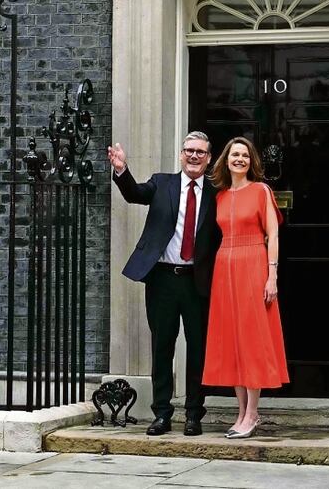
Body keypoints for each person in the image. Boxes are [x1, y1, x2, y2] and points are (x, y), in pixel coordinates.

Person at [107, 131, 221, 437]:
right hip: (162, 279)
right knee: (162, 346)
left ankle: (194, 414)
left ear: (209, 158)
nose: (194, 156)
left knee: (198, 349)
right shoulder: (162, 183)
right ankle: (162, 413)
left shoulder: (216, 192)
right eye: (188, 150)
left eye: (200, 152)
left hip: (197, 281)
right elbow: (134, 193)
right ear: (181, 155)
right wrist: (121, 170)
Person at [203, 136, 289, 439]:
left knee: (252, 339)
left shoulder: (261, 191)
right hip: (224, 268)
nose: (239, 159)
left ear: (251, 161)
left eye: (245, 155)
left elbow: (273, 236)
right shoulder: (221, 196)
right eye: (234, 155)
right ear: (226, 160)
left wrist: (272, 276)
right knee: (232, 341)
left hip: (254, 264)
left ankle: (252, 412)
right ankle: (240, 412)